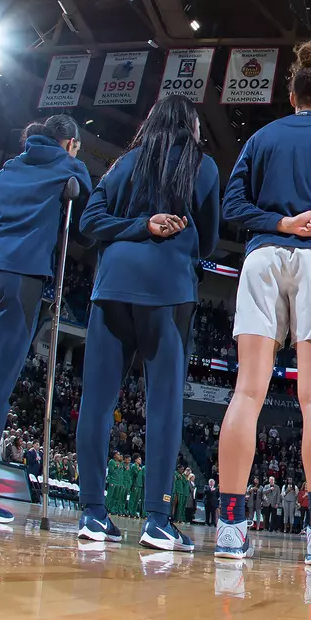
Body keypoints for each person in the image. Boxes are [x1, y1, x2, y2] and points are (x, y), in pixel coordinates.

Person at [215, 42, 311, 565]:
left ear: (290, 94)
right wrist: (310, 223)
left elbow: (232, 206)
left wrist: (281, 222)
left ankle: (230, 526)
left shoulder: (260, 137)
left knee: (248, 392)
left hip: (261, 256)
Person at [75, 95, 219, 548]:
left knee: (96, 404)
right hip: (167, 292)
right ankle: (158, 520)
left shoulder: (124, 164)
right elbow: (210, 241)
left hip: (112, 286)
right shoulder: (203, 166)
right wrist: (156, 228)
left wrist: (137, 224)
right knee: (163, 406)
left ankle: (93, 514)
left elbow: (90, 220)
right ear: (191, 127)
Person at [0, 115, 91, 523]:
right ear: (70, 143)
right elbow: (85, 227)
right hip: (18, 276)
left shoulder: (9, 166)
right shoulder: (69, 166)